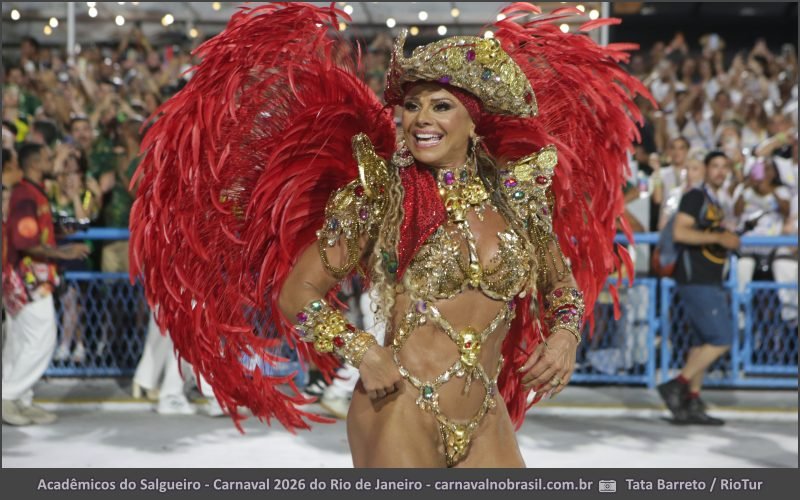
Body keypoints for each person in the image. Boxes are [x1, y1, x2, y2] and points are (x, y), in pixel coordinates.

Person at [129, 3, 649, 467]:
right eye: (412, 104)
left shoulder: (518, 200)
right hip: (399, 406)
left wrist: (564, 335)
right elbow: (296, 294)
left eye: (440, 105)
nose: (420, 117)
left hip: (485, 415)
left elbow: (561, 288)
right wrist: (363, 350)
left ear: (475, 122)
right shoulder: (380, 196)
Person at [2, 143, 90, 426]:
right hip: (28, 280)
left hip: (26, 278)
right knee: (41, 338)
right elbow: (24, 241)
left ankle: (20, 400)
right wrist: (65, 252)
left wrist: (57, 233)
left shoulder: (32, 193)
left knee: (20, 342)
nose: (54, 162)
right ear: (37, 162)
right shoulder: (26, 195)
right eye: (49, 157)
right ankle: (8, 396)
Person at [657, 151, 741, 426]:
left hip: (708, 277)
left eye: (724, 166)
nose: (720, 171)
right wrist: (720, 237)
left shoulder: (716, 200)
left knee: (701, 343)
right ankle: (677, 384)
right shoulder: (696, 196)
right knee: (721, 338)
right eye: (715, 166)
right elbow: (681, 232)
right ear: (705, 169)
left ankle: (691, 401)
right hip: (697, 279)